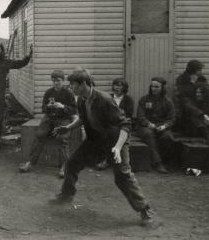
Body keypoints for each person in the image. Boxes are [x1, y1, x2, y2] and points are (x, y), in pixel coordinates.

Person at [50, 68, 155, 227]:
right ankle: (66, 195)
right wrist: (68, 128)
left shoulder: (104, 99)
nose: (70, 88)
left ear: (83, 84)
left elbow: (125, 125)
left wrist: (118, 148)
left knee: (122, 175)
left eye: (73, 85)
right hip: (96, 139)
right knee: (72, 163)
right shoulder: (81, 99)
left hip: (116, 140)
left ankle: (145, 210)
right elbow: (83, 119)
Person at [19, 70, 77, 177]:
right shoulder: (49, 92)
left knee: (62, 138)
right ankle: (30, 162)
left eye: (58, 80)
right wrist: (48, 107)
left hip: (63, 119)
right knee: (40, 135)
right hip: (50, 118)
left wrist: (62, 106)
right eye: (54, 81)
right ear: (52, 81)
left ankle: (65, 166)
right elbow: (43, 109)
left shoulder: (68, 93)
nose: (56, 83)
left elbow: (74, 110)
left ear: (63, 81)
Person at [136, 77, 176, 174]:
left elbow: (172, 119)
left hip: (161, 126)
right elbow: (141, 116)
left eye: (157, 87)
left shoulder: (168, 102)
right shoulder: (144, 99)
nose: (154, 89)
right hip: (145, 126)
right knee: (149, 134)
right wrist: (149, 124)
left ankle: (159, 159)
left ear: (162, 88)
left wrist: (164, 126)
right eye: (152, 86)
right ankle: (158, 163)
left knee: (167, 137)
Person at [96, 78, 134, 170]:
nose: (117, 87)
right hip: (109, 125)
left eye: (120, 85)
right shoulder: (108, 97)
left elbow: (128, 115)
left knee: (120, 136)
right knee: (103, 134)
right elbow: (102, 112)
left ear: (124, 88)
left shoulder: (128, 100)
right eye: (115, 85)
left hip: (123, 126)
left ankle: (123, 164)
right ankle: (105, 159)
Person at [175, 60, 209, 144]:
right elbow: (184, 95)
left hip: (201, 106)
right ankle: (207, 136)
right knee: (191, 109)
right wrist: (193, 83)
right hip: (187, 112)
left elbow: (207, 91)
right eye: (199, 69)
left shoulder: (201, 78)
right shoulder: (182, 79)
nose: (201, 71)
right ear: (193, 69)